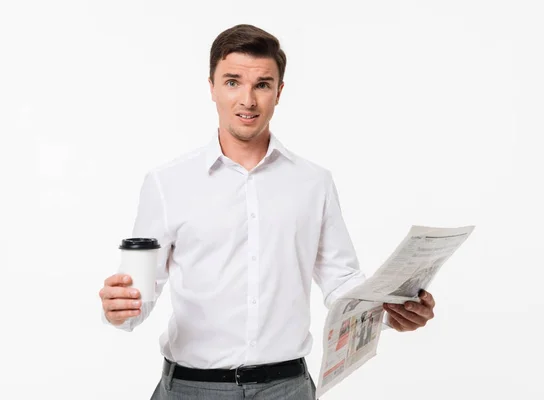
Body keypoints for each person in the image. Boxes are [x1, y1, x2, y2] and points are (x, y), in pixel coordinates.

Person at [98, 24, 436, 400]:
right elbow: (139, 294)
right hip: (191, 390)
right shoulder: (167, 183)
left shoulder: (313, 182)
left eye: (262, 84)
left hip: (286, 388)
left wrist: (392, 310)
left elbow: (341, 282)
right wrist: (120, 308)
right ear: (211, 86)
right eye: (232, 82)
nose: (248, 100)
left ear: (279, 92)